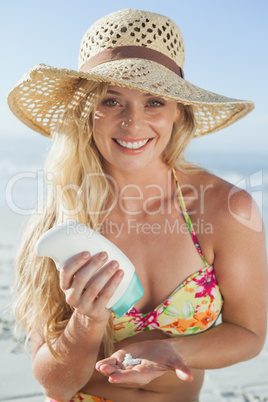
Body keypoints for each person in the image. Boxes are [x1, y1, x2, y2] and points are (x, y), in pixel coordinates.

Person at [8, 8, 267, 402]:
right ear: (86, 114)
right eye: (112, 101)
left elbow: (248, 334)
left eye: (154, 102)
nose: (132, 123)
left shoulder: (227, 208)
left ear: (178, 111)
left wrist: (172, 351)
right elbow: (55, 385)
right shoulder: (61, 222)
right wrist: (87, 321)